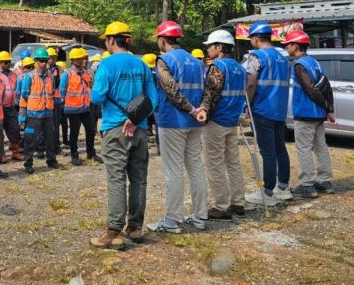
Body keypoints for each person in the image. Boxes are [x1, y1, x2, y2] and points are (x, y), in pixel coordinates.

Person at [89, 21, 157, 249]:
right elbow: (152, 100)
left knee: (116, 178)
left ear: (110, 40)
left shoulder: (106, 66)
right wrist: (135, 119)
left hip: (115, 129)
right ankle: (135, 227)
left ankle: (113, 230)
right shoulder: (142, 66)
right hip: (139, 130)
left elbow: (97, 98)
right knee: (139, 179)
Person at [147, 21, 208, 234]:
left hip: (173, 122)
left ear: (163, 40)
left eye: (158, 40)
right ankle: (200, 216)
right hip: (195, 124)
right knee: (196, 168)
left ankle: (172, 220)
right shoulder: (197, 62)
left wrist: (191, 109)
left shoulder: (164, 60)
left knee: (173, 171)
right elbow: (206, 89)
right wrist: (200, 110)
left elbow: (170, 90)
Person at [199, 30, 247, 220]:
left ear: (219, 47)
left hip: (216, 121)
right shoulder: (240, 68)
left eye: (210, 46)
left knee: (215, 164)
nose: (208, 50)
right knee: (233, 163)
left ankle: (221, 206)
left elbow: (212, 94)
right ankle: (238, 202)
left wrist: (203, 114)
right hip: (232, 120)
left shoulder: (216, 67)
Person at [243, 22, 292, 207]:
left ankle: (267, 192)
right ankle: (283, 187)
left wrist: (247, 103)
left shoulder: (257, 56)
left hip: (262, 108)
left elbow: (250, 83)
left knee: (267, 151)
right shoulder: (283, 57)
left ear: (255, 39)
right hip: (279, 109)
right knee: (280, 148)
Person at [283, 30, 335, 198]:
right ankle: (325, 181)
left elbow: (309, 89)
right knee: (321, 147)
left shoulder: (299, 65)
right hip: (319, 114)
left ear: (295, 45)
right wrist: (329, 109)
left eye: (288, 44)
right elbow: (327, 87)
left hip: (305, 113)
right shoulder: (315, 63)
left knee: (304, 148)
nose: (286, 47)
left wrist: (324, 104)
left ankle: (307, 184)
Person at [19, 47, 59, 174]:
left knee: (50, 138)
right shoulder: (29, 77)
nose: (43, 63)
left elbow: (51, 92)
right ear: (36, 61)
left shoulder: (50, 76)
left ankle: (51, 160)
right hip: (34, 113)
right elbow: (24, 94)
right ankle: (28, 163)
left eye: (45, 61)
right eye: (41, 61)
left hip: (48, 113)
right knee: (30, 139)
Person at [60, 48, 101, 166]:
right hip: (72, 109)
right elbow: (62, 90)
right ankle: (74, 155)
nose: (80, 60)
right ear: (72, 60)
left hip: (85, 107)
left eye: (81, 58)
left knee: (91, 130)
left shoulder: (85, 72)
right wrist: (65, 104)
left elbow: (90, 86)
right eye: (77, 59)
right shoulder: (67, 74)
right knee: (74, 132)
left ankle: (91, 153)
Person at [0, 51, 25, 162]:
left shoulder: (13, 74)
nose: (8, 64)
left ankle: (15, 152)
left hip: (11, 107)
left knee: (15, 130)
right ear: (0, 63)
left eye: (9, 62)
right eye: (6, 62)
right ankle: (1, 154)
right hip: (0, 107)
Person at [46, 47, 66, 154]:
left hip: (57, 101)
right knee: (46, 125)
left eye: (54, 57)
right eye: (50, 57)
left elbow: (62, 83)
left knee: (56, 124)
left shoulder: (59, 69)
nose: (52, 60)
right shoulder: (43, 70)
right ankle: (44, 147)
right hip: (45, 102)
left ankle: (56, 147)